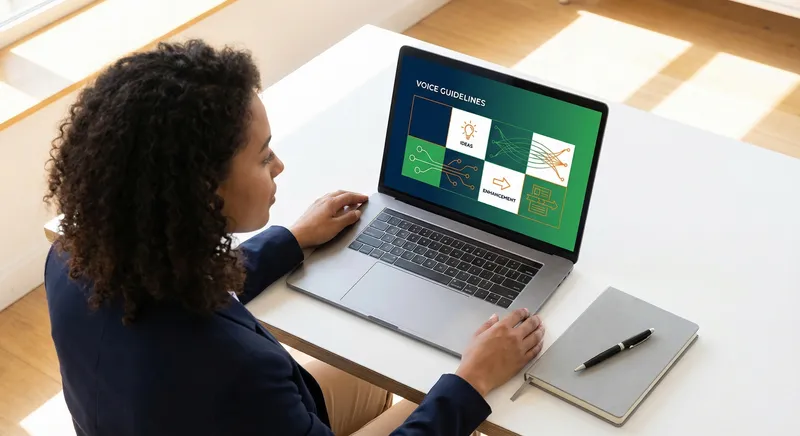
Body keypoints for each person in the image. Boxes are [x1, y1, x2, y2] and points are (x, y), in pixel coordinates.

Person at [43, 39, 546, 436]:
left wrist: (293, 238)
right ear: (201, 189)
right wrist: (473, 380)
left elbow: (192, 289)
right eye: (264, 157)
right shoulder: (236, 370)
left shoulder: (74, 258)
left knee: (371, 382)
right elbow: (225, 367)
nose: (279, 164)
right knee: (454, 401)